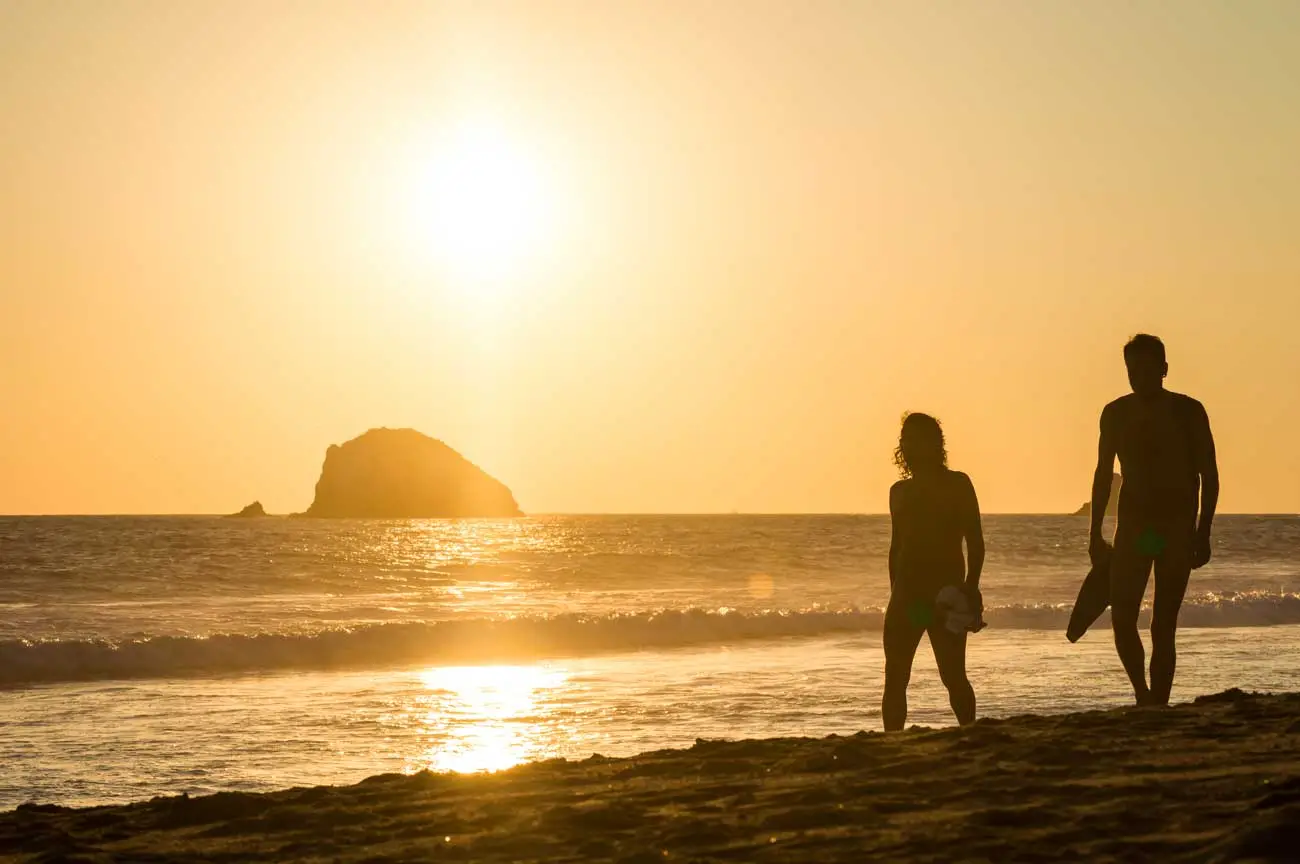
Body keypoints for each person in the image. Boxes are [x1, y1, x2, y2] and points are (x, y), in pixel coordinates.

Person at [1089, 334, 1219, 707]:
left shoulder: (1188, 411)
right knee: (1123, 616)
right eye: (1132, 370)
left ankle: (1158, 702)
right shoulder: (1115, 414)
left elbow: (1208, 474)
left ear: (1164, 369)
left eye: (1148, 369)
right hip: (1134, 529)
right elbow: (1102, 474)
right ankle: (1142, 694)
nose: (1139, 377)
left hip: (1176, 530)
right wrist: (1095, 531)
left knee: (1164, 624)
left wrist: (1203, 531)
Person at [883, 412, 985, 731]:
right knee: (896, 677)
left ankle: (969, 732)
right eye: (907, 439)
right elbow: (896, 547)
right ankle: (892, 741)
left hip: (946, 597)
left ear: (935, 443)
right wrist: (894, 594)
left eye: (919, 438)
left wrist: (971, 588)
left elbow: (976, 541)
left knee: (953, 676)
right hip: (907, 596)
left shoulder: (957, 484)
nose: (912, 445)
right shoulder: (899, 491)